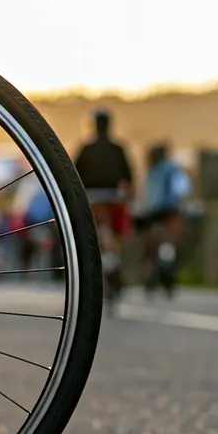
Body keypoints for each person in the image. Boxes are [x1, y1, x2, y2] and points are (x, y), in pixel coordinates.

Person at [73, 108, 134, 295]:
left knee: (100, 236)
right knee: (116, 236)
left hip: (93, 199)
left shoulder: (86, 149)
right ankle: (115, 266)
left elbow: (73, 175)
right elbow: (128, 176)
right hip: (115, 198)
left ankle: (105, 269)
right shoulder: (118, 148)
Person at [135, 141, 190, 282]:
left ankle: (152, 265)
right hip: (171, 208)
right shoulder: (173, 169)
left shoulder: (152, 171)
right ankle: (168, 260)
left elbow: (147, 194)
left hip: (154, 209)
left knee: (152, 236)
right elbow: (183, 188)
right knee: (170, 236)